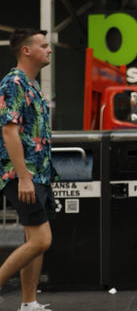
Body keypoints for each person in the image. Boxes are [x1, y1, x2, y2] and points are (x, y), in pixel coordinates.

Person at [0, 29, 55, 311]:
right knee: (42, 239)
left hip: (38, 175)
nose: (49, 49)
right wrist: (23, 177)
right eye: (43, 45)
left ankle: (28, 303)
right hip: (22, 175)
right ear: (26, 50)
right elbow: (9, 131)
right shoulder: (14, 83)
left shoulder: (31, 84)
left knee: (33, 241)